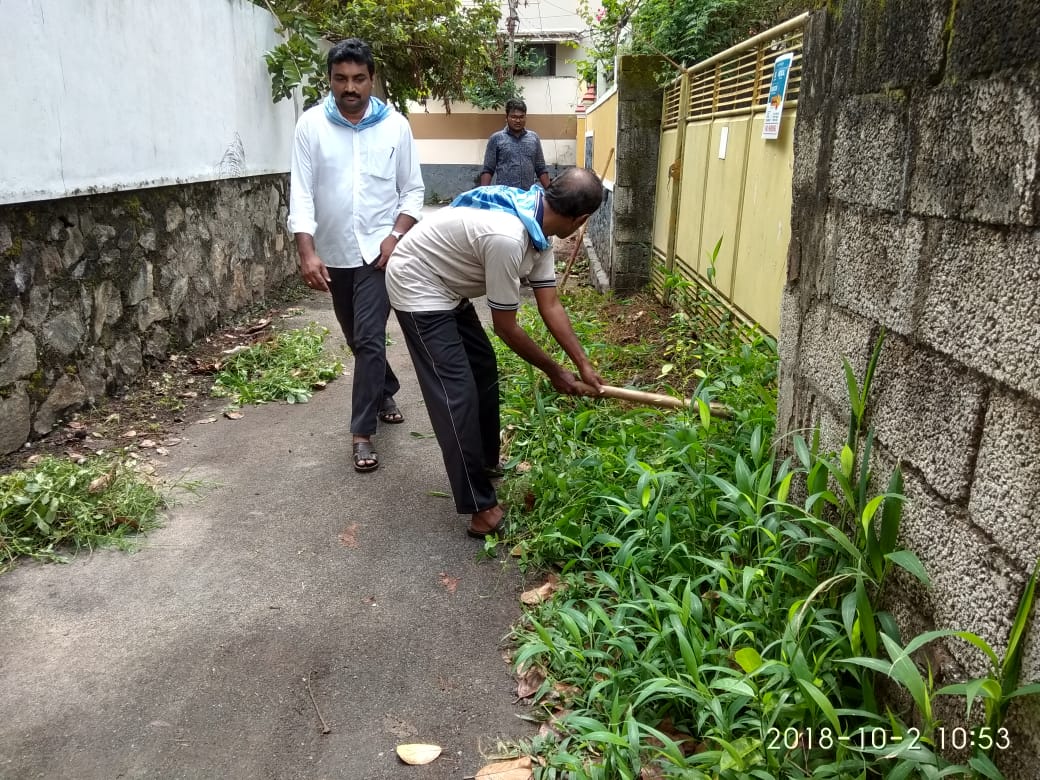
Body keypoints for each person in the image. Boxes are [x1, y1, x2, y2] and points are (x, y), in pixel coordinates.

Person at [382, 168, 605, 539]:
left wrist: (582, 363)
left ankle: (484, 462)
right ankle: (480, 507)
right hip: (417, 282)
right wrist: (555, 371)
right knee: (456, 393)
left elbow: (550, 304)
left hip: (448, 283)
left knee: (482, 367)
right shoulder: (508, 237)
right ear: (581, 219)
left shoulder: (538, 230)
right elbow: (506, 327)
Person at [287, 38, 424, 474]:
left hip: (379, 256)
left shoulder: (396, 127)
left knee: (368, 339)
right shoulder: (310, 126)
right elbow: (301, 193)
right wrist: (307, 251)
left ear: (372, 79)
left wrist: (396, 236)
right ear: (330, 80)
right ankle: (385, 389)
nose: (350, 87)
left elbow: (413, 191)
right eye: (341, 79)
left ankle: (362, 433)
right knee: (355, 337)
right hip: (334, 254)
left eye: (359, 78)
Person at [479, 99, 551, 190]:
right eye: (513, 117)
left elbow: (541, 169)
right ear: (506, 117)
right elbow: (488, 170)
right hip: (505, 195)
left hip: (527, 195)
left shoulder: (534, 138)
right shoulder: (496, 138)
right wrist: (482, 193)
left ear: (525, 117)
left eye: (521, 117)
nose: (517, 120)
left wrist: (552, 193)